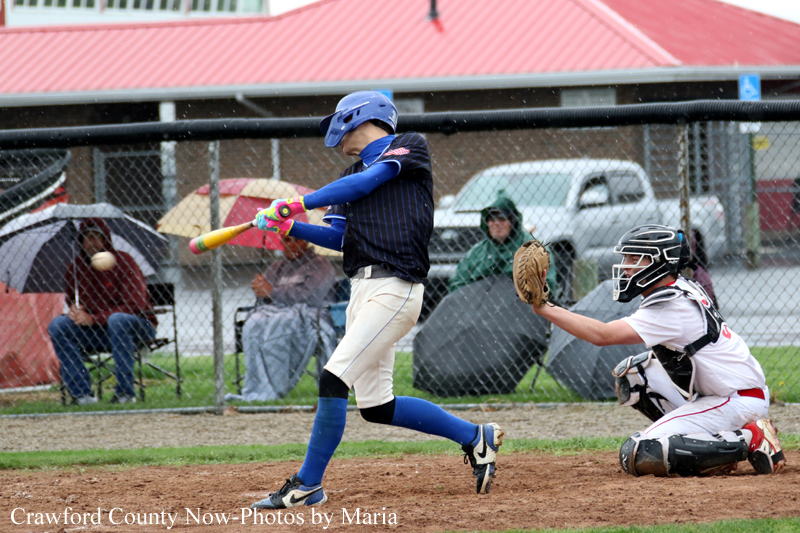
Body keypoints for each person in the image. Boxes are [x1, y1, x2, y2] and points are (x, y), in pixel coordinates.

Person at [249, 90, 503, 509]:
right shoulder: (348, 176)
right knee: (377, 406)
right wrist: (291, 226)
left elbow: (370, 179)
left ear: (359, 117)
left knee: (333, 378)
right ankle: (475, 436)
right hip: (362, 291)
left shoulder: (408, 146)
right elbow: (339, 238)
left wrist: (299, 202)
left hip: (394, 288)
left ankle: (308, 484)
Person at [530, 224, 784, 477]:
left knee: (642, 452)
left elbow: (601, 335)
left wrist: (545, 308)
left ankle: (750, 437)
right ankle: (712, 444)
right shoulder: (679, 285)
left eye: (634, 258)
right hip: (728, 391)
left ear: (660, 263)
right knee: (634, 375)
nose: (626, 266)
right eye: (625, 258)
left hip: (737, 400)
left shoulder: (669, 307)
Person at [48, 218, 156, 405]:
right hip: (99, 332)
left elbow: (135, 305)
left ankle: (125, 394)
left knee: (118, 320)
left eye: (97, 237)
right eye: (87, 238)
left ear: (106, 239)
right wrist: (76, 311)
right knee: (58, 325)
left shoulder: (124, 262)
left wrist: (93, 318)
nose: (93, 243)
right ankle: (82, 396)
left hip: (136, 327)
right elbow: (74, 301)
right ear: (80, 242)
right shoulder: (75, 268)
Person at [225, 234, 336, 402]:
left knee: (281, 322)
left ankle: (274, 388)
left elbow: (311, 297)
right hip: (275, 312)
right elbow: (265, 297)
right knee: (254, 321)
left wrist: (273, 292)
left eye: (297, 240)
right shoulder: (276, 267)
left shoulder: (320, 265)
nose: (291, 244)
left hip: (310, 314)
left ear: (306, 241)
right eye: (286, 240)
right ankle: (257, 388)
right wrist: (260, 289)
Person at [448, 192, 557, 296]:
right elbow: (457, 285)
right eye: (491, 218)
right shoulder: (477, 252)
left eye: (502, 218)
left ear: (513, 221)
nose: (496, 223)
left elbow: (548, 285)